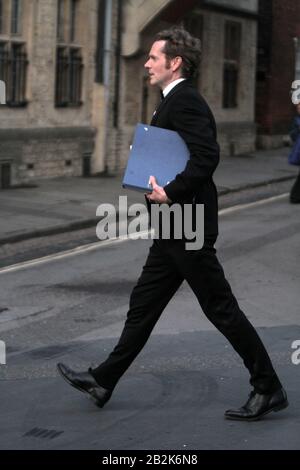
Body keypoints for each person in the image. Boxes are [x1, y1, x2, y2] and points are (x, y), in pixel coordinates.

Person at [57, 28, 288, 421]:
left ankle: (267, 386)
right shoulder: (171, 101)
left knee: (220, 307)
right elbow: (181, 152)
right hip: (172, 227)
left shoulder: (185, 102)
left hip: (187, 223)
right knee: (143, 305)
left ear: (174, 61)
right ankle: (103, 381)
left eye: (152, 57)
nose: (146, 64)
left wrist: (172, 191)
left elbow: (206, 156)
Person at [289, 103, 300, 203]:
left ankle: (295, 196)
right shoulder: (297, 120)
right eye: (298, 107)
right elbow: (293, 135)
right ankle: (294, 197)